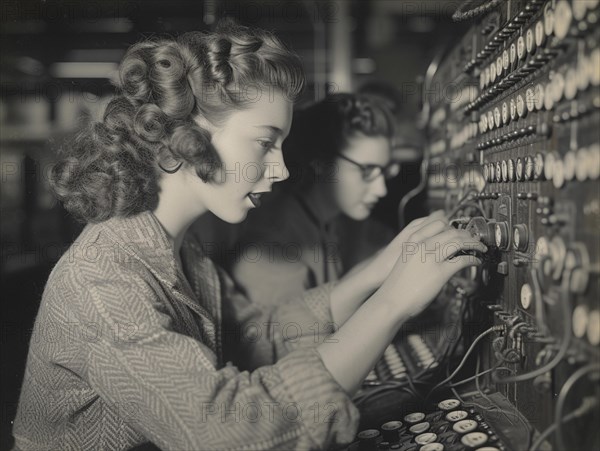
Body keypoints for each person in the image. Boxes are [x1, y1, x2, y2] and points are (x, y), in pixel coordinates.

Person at [12, 21, 485, 451]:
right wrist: (392, 304)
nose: (280, 169)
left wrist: (380, 271)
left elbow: (261, 337)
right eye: (265, 142)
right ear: (188, 134)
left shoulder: (183, 250)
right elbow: (229, 430)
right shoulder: (102, 282)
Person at [228, 93, 399, 307]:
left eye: (384, 171)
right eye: (366, 171)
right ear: (321, 163)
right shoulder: (272, 246)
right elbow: (299, 338)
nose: (381, 189)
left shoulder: (331, 218)